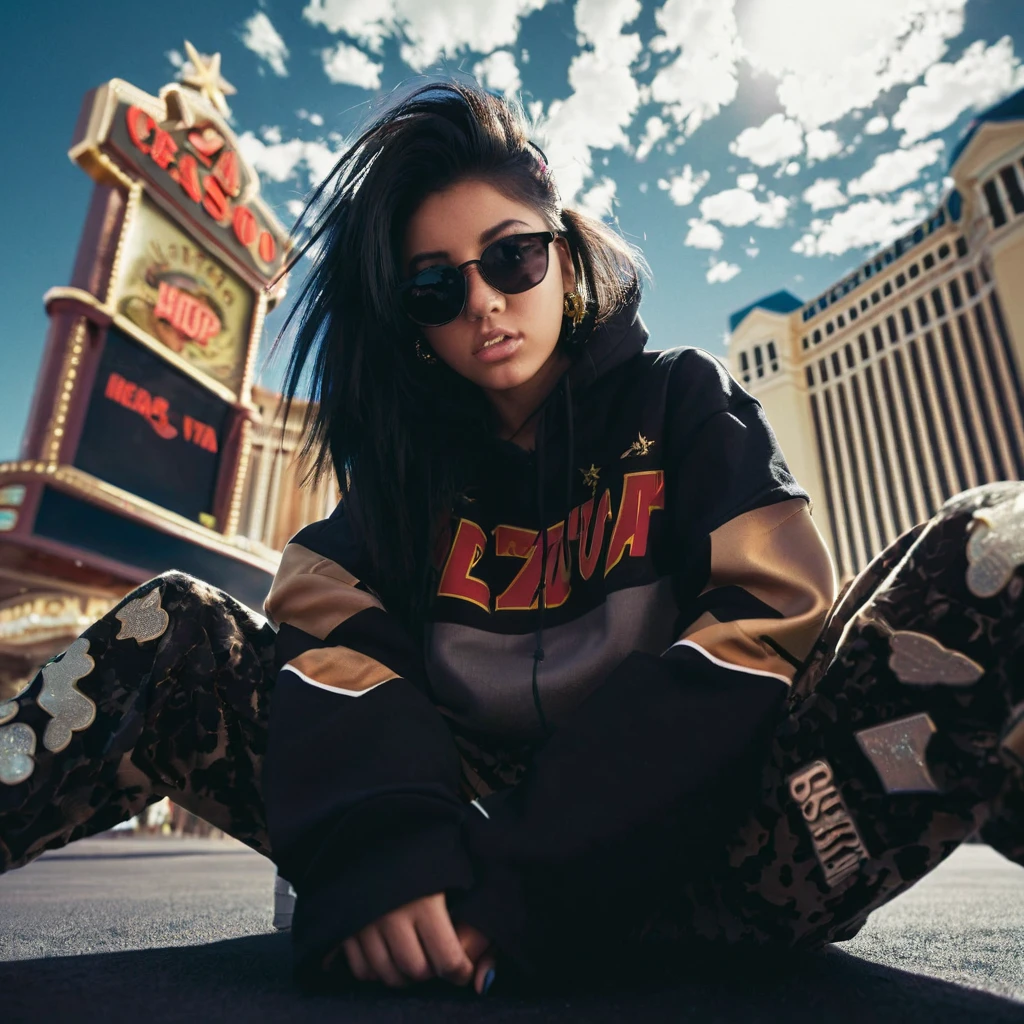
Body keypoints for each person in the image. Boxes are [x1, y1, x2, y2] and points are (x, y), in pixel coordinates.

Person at [1, 79, 1023, 998]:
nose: (484, 300)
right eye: (436, 286)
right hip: (441, 885)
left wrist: (523, 880)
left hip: (732, 867)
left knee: (1000, 545)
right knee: (170, 629)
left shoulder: (680, 401)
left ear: (565, 253)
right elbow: (336, 650)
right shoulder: (398, 487)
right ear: (413, 321)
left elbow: (764, 626)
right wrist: (389, 849)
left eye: (511, 256)